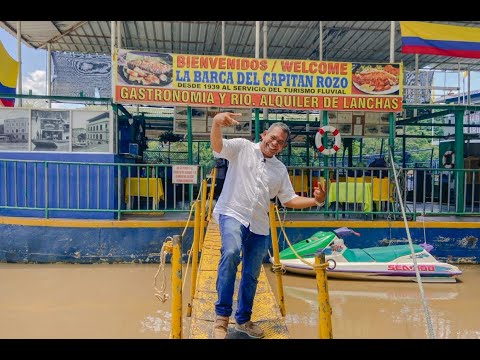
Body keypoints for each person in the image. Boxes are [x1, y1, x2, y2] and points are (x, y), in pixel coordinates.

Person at [210, 112, 326, 339]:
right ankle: (221, 318)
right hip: (231, 212)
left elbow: (289, 199)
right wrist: (216, 122)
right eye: (272, 138)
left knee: (252, 274)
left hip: (259, 224)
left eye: (280, 142)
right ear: (264, 135)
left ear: (282, 147)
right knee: (231, 252)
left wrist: (316, 201)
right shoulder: (242, 148)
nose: (274, 143)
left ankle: (243, 319)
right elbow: (218, 146)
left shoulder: (279, 170)